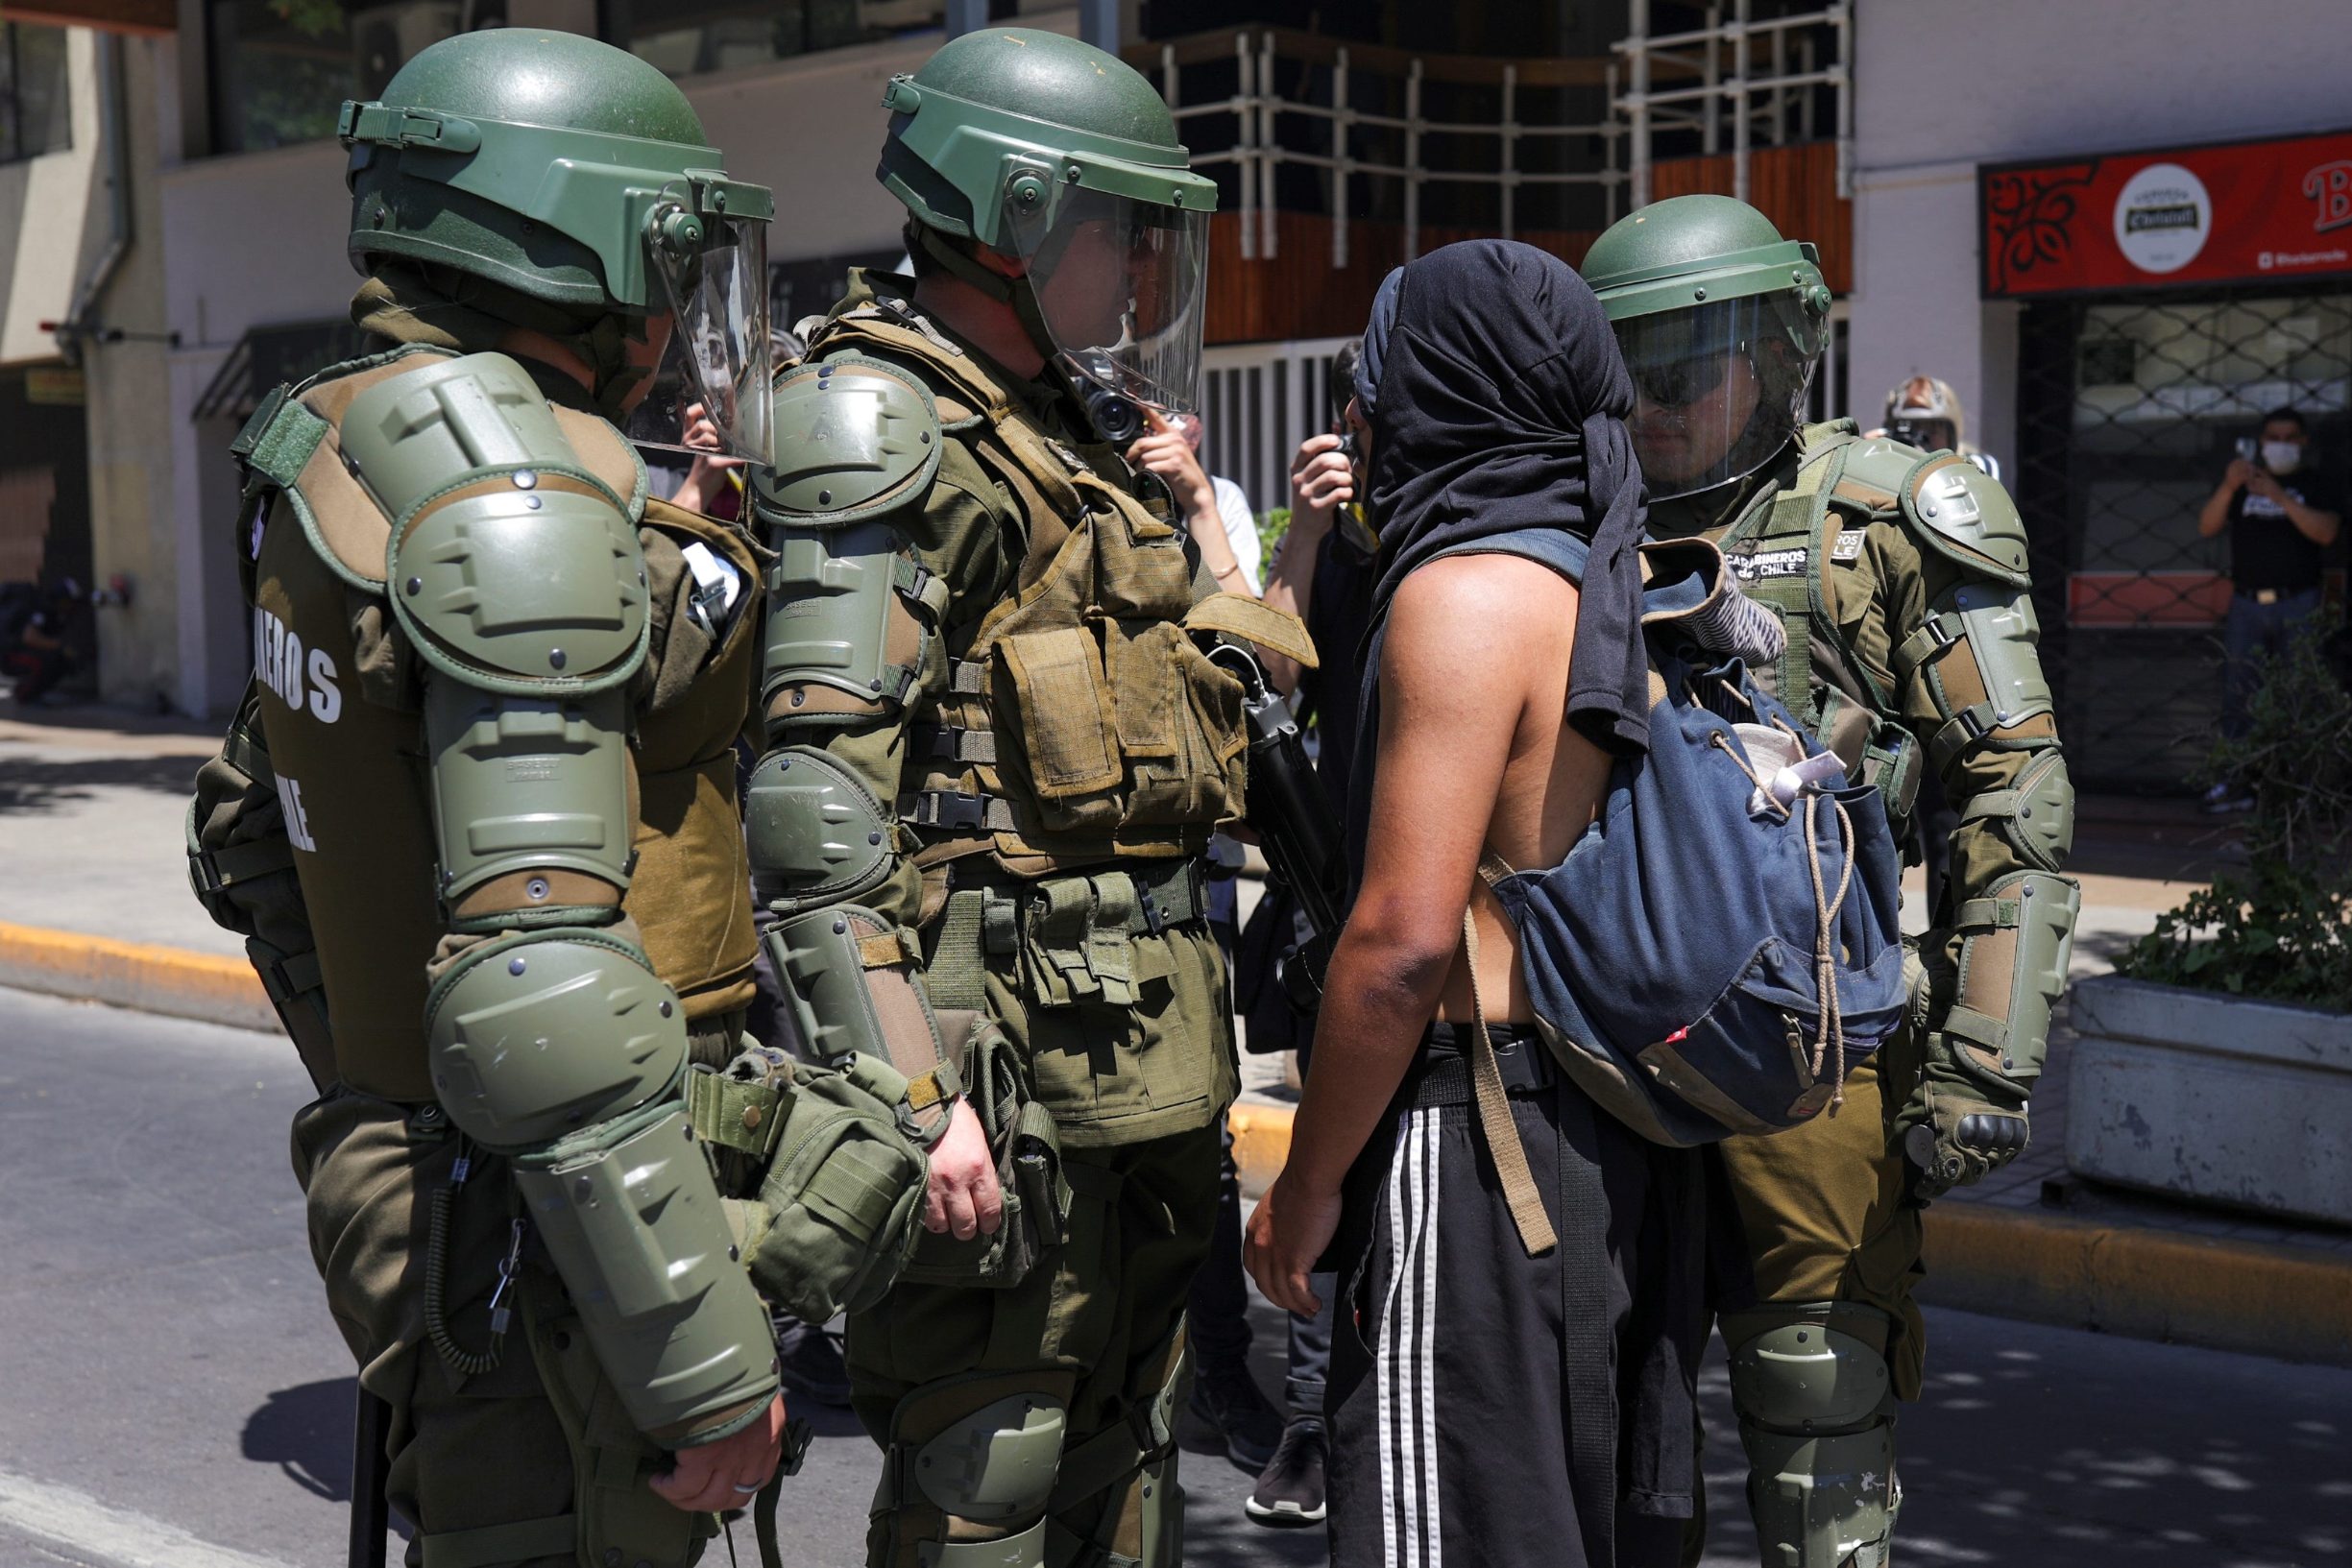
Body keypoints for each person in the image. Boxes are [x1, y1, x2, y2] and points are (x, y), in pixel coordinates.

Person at [184, 32, 804, 1566]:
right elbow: (543, 996)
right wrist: (705, 1363)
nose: (678, 302)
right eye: (669, 247)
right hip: (548, 1248)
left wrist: (388, 1098)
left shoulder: (334, 443)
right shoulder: (511, 494)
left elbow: (250, 838)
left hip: (445, 1199)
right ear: (572, 231)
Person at [743, 28, 1308, 1567]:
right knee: (988, 1456)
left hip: (1139, 1041)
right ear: (1019, 213)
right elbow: (816, 809)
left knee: (1131, 1443)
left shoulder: (1075, 431)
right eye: (1121, 228)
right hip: (992, 1055)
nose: (1139, 267)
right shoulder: (882, 425)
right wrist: (910, 1098)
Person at [1582, 194, 2081, 1568]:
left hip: (1818, 1035)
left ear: (1785, 351)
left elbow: (2010, 790)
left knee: (1815, 1408)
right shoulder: (1567, 517)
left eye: (1704, 357)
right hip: (1590, 1047)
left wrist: (1983, 1059)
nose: (1668, 399)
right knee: (1591, 1426)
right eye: (1637, 366)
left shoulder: (1892, 513)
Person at [1246, 239, 1714, 1568]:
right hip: (1622, 1142)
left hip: (1482, 1145)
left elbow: (1398, 947)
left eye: (1377, 380)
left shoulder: (1463, 599)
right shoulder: (1613, 568)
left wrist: (1308, 1184)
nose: (1363, 411)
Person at [1224, 337, 1381, 1529]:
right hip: (1341, 893)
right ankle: (1310, 1423)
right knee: (1322, 1159)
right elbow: (1265, 678)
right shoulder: (1336, 543)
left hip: (1469, 904)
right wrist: (1311, 533)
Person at [2198, 406, 2340, 811]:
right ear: (2261, 443)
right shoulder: (2243, 486)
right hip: (2246, 602)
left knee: (2301, 694)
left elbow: (2327, 532)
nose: (2280, 446)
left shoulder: (2314, 483)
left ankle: (2298, 789)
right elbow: (2207, 526)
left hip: (2299, 602)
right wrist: (2228, 487)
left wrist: (2279, 496)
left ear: (2303, 442)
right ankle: (2236, 783)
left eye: (2288, 437)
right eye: (2273, 438)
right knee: (2239, 695)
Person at [1871, 374, 2001, 482]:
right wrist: (1863, 458)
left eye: (1932, 429)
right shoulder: (1881, 466)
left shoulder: (1978, 467)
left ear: (1952, 433)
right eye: (1909, 429)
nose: (1918, 442)